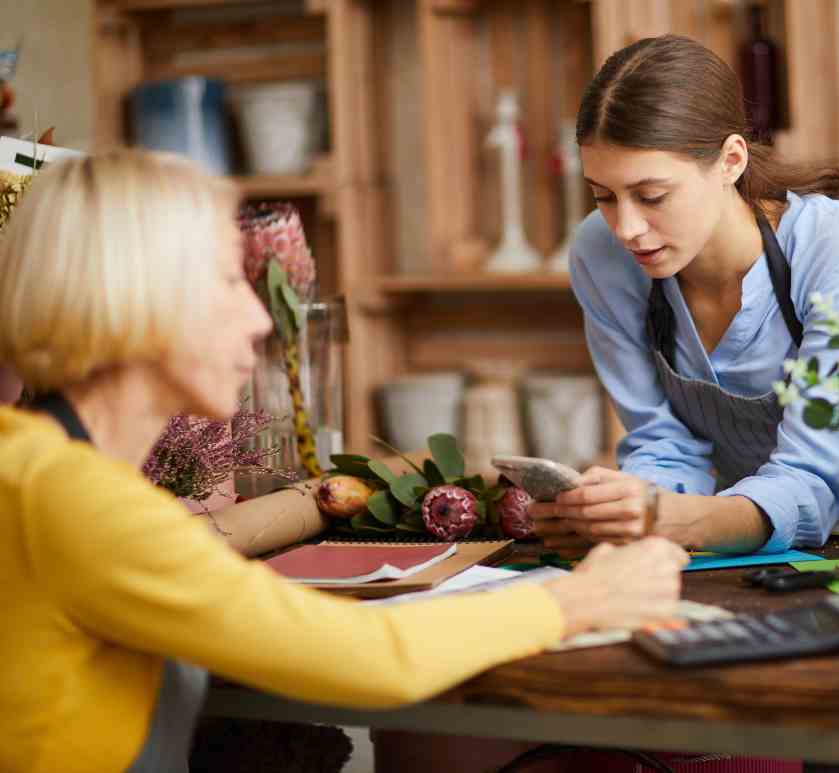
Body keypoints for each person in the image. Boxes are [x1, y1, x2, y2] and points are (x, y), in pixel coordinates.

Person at [0, 150, 688, 773]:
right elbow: (367, 657)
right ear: (137, 298)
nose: (260, 319)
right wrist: (578, 599)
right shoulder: (79, 502)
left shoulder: (38, 470)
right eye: (227, 283)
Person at [533, 34, 839, 557]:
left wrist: (667, 518)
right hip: (741, 546)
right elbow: (661, 445)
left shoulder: (833, 243)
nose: (626, 228)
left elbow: (810, 473)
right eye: (603, 196)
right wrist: (618, 512)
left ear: (731, 160)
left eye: (651, 196)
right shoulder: (600, 255)